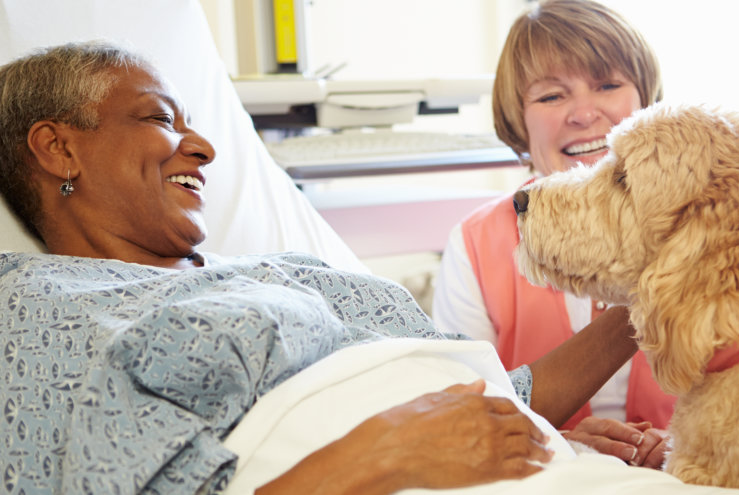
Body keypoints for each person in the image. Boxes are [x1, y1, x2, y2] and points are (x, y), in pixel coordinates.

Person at [0, 41, 645, 494]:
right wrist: (387, 452)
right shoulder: (36, 308)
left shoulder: (289, 270)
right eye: (161, 119)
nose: (202, 146)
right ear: (58, 149)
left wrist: (659, 286)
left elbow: (508, 398)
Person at [432, 0, 676, 468]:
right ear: (517, 120)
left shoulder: (702, 220)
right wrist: (566, 441)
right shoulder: (476, 244)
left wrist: (687, 441)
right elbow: (461, 413)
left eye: (608, 84)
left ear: (645, 98)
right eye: (551, 96)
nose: (584, 114)